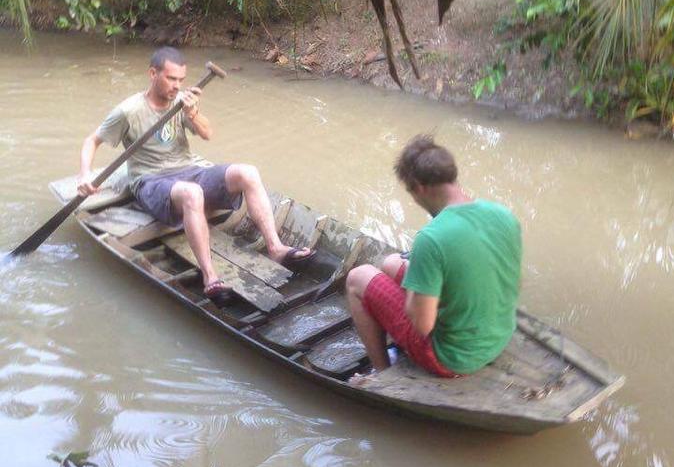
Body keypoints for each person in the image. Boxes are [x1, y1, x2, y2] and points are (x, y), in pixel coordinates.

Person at [77, 47, 313, 300]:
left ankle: (275, 248)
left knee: (248, 172)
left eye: (180, 80)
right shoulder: (128, 111)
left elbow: (207, 134)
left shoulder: (182, 103)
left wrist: (193, 113)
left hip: (188, 170)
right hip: (150, 181)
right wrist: (85, 175)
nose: (176, 86)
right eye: (170, 78)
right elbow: (92, 140)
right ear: (152, 73)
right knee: (193, 193)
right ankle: (210, 276)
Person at [346, 134, 521, 382]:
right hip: (498, 339)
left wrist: (412, 299)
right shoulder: (504, 216)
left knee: (357, 278)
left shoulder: (431, 239)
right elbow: (516, 283)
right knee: (390, 263)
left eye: (411, 193)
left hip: (450, 359)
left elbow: (423, 326)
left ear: (418, 187)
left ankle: (382, 374)